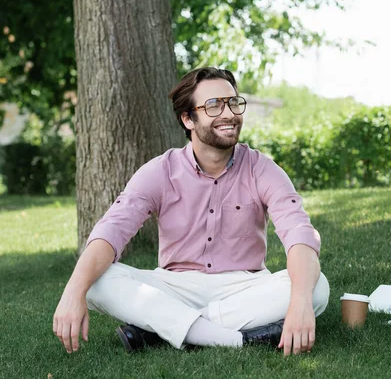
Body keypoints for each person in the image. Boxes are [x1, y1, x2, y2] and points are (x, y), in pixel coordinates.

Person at [52, 67, 330, 356]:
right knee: (96, 280)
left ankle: (161, 331)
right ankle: (240, 340)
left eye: (233, 102)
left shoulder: (263, 169)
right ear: (188, 118)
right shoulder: (160, 171)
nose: (229, 113)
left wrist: (299, 301)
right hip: (173, 285)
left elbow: (299, 234)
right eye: (213, 105)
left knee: (316, 287)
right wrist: (73, 291)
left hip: (244, 286)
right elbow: (111, 231)